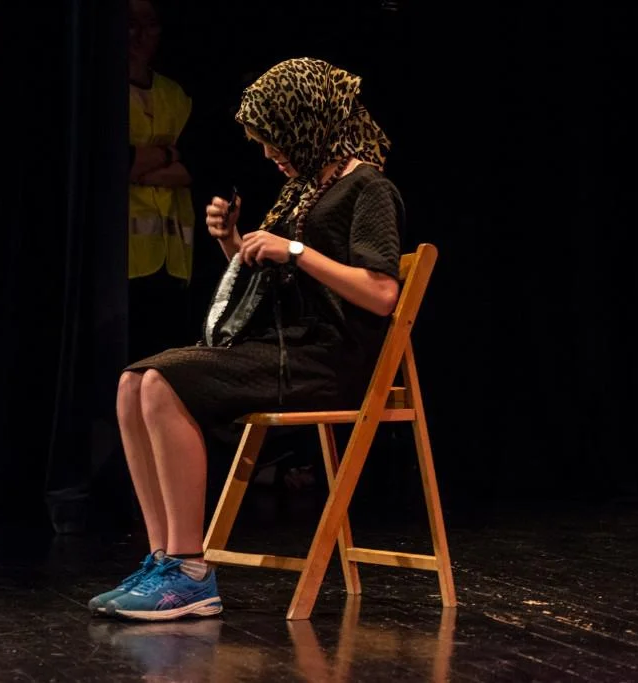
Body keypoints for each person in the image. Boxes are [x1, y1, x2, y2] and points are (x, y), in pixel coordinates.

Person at [88, 57, 404, 621]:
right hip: (285, 347)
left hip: (327, 358)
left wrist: (295, 250)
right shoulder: (306, 189)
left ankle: (189, 571)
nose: (267, 152)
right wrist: (233, 241)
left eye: (273, 138)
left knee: (161, 382)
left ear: (306, 121)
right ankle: (163, 561)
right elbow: (273, 285)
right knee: (132, 381)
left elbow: (382, 293)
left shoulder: (369, 187)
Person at [126, 0, 196, 363]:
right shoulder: (99, 91)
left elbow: (196, 166)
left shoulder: (175, 95)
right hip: (123, 265)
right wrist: (170, 153)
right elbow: (116, 164)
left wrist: (143, 165)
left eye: (149, 23)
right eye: (130, 22)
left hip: (174, 261)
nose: (139, 33)